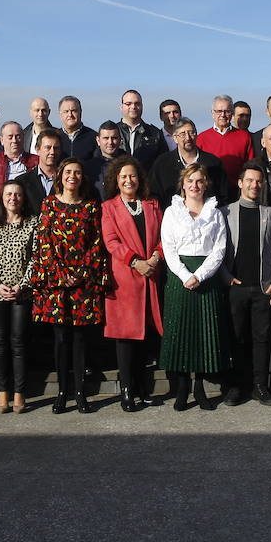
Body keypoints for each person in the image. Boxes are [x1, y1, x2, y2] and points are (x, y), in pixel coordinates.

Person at [29, 158, 108, 414]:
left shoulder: (91, 207)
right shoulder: (49, 204)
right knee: (61, 338)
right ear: (60, 176)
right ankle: (62, 392)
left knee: (80, 339)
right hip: (56, 282)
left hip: (83, 283)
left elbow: (97, 243)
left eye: (77, 172)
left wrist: (82, 272)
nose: (72, 176)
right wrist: (62, 274)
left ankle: (80, 392)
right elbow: (44, 242)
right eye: (68, 172)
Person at [159, 163, 230, 411]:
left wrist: (200, 275)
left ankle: (200, 388)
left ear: (206, 184)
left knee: (202, 334)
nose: (195, 186)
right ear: (183, 184)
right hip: (179, 278)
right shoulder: (171, 212)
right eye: (190, 181)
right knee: (180, 333)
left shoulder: (216, 213)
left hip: (206, 278)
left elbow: (219, 249)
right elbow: (168, 247)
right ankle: (182, 389)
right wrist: (184, 275)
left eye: (199, 181)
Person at [221, 162, 271, 406]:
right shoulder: (224, 213)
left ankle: (261, 386)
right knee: (237, 337)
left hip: (263, 288)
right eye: (249, 180)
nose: (254, 185)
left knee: (262, 339)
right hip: (235, 286)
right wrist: (225, 276)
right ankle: (236, 386)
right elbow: (217, 250)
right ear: (240, 183)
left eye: (258, 181)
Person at [100, 155, 165, 412]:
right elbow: (111, 241)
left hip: (150, 277)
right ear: (116, 180)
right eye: (124, 176)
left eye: (133, 176)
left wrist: (156, 257)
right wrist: (136, 262)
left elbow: (163, 235)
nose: (129, 180)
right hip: (125, 280)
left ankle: (142, 389)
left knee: (145, 336)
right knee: (126, 338)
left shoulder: (152, 205)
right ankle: (127, 391)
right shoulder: (109, 208)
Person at [0, 181, 38, 415]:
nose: (13, 198)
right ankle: (2, 392)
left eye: (17, 194)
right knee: (0, 342)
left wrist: (21, 285)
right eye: (8, 194)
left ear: (23, 198)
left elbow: (36, 257)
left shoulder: (32, 223)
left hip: (22, 292)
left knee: (18, 342)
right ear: (1, 198)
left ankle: (19, 393)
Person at [149, 118, 225, 204]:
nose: (188, 137)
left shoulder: (213, 163)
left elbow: (223, 195)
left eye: (191, 133)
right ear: (175, 138)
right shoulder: (162, 164)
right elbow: (154, 195)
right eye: (182, 134)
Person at [197, 94, 254, 199]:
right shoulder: (201, 138)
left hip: (236, 193)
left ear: (232, 114)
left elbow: (250, 166)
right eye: (219, 111)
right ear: (212, 113)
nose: (222, 115)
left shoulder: (244, 136)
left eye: (227, 111)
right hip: (209, 193)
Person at [0, 122, 38, 213]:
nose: (14, 140)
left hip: (28, 217)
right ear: (2, 140)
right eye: (10, 137)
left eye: (18, 136)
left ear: (23, 138)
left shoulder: (36, 161)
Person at [117, 89, 167, 168]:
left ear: (142, 106)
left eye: (137, 103)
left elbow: (163, 164)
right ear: (121, 107)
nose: (133, 107)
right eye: (128, 104)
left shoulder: (155, 133)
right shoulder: (113, 132)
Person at [16, 130, 62, 211]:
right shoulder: (22, 181)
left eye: (56, 148)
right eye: (48, 148)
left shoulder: (66, 181)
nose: (52, 152)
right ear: (37, 149)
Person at [84, 120, 127, 200]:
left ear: (120, 140)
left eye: (114, 138)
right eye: (106, 138)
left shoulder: (129, 166)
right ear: (98, 140)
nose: (110, 142)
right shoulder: (88, 167)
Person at [56, 95, 96, 162]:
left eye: (74, 111)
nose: (70, 115)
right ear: (60, 114)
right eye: (66, 111)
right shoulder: (55, 137)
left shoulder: (93, 137)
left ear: (80, 112)